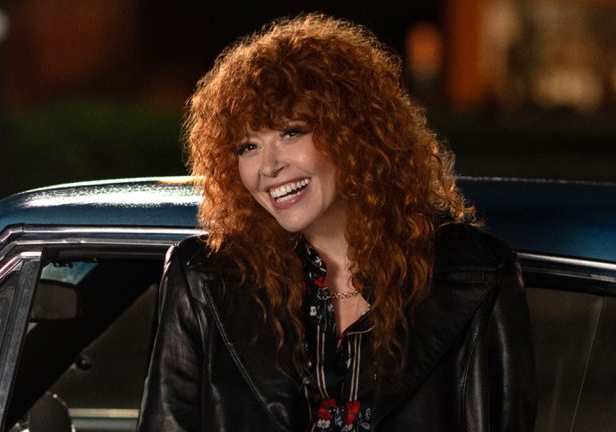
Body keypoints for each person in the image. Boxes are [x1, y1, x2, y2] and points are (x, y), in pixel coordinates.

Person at [137, 13, 536, 432]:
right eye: (248, 146)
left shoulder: (475, 274)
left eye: (291, 133)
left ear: (353, 135)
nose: (268, 167)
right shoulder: (205, 280)